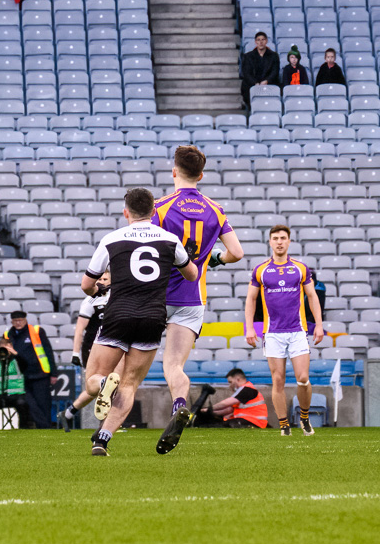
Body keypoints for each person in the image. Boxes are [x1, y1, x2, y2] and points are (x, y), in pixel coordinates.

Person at [81, 188, 198, 457]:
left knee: (92, 381)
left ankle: (103, 386)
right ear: (154, 211)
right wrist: (183, 258)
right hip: (152, 317)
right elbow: (191, 275)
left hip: (118, 314)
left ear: (126, 212)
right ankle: (102, 439)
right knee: (130, 383)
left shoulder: (112, 239)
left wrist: (98, 292)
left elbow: (87, 284)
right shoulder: (169, 239)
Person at [151, 145, 244, 454]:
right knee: (174, 365)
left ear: (173, 170)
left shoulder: (160, 208)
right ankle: (180, 404)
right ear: (201, 175)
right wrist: (215, 259)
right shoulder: (215, 209)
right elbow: (237, 253)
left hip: (157, 296)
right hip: (192, 300)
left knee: (130, 360)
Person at [244, 225, 325, 436]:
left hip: (298, 331)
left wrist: (319, 324)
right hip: (273, 333)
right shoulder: (260, 270)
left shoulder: (300, 268)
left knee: (303, 377)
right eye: (275, 238)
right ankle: (284, 425)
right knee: (278, 380)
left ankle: (304, 417)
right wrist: (250, 327)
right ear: (270, 242)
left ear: (289, 241)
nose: (279, 242)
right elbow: (251, 299)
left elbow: (313, 297)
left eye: (283, 238)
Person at [59, 271, 110, 432]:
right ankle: (106, 423)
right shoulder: (90, 301)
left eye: (105, 279)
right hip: (93, 347)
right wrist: (75, 353)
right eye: (99, 279)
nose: (102, 281)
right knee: (99, 385)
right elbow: (80, 329)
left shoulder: (116, 298)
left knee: (109, 384)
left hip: (112, 346)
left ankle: (68, 413)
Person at [3, 311, 58, 428]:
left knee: (44, 404)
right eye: (16, 321)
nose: (18, 323)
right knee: (30, 404)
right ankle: (45, 427)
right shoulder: (7, 335)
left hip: (40, 374)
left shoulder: (37, 331)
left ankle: (46, 429)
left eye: (20, 320)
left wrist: (54, 372)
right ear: (11, 322)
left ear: (25, 320)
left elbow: (48, 351)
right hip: (20, 376)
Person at [190, 371, 268, 428]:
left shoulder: (248, 389)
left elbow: (226, 403)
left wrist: (210, 409)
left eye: (230, 382)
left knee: (221, 426)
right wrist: (209, 413)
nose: (229, 385)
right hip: (248, 420)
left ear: (238, 379)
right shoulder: (243, 390)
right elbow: (229, 410)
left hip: (254, 421)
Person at [240, 31, 281, 108]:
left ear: (266, 41)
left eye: (263, 39)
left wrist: (266, 81)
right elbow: (246, 72)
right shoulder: (248, 56)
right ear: (256, 42)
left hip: (268, 83)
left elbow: (275, 71)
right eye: (258, 40)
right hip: (253, 84)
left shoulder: (274, 56)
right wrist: (255, 83)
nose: (261, 42)